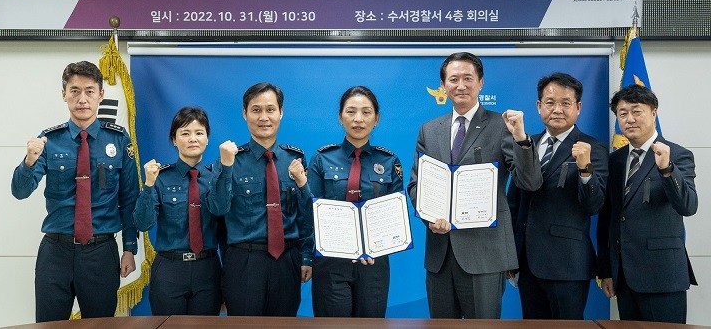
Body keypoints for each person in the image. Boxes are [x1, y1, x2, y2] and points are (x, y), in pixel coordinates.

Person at [407, 52, 543, 319]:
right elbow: (416, 185)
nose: (461, 85)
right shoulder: (429, 130)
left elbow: (529, 181)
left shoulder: (502, 125)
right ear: (443, 86)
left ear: (481, 82)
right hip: (440, 254)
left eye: (468, 78)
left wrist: (521, 138)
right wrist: (430, 217)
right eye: (453, 79)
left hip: (486, 254)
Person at [11, 61, 137, 322]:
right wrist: (29, 161)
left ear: (101, 94)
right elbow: (20, 192)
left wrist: (129, 248)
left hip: (100, 253)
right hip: (55, 252)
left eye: (89, 91)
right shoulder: (49, 140)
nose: (82, 99)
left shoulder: (118, 139)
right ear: (64, 94)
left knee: (100, 326)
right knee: (49, 326)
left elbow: (129, 199)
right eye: (75, 91)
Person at [507, 72, 608, 319]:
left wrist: (585, 168)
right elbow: (514, 204)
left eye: (566, 103)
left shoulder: (592, 148)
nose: (557, 110)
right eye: (550, 102)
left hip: (568, 265)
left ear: (578, 107)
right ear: (539, 106)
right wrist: (511, 255)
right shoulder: (526, 143)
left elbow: (594, 205)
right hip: (527, 263)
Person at [210, 82, 313, 316]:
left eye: (270, 109)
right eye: (256, 110)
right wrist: (226, 167)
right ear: (244, 113)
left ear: (281, 112)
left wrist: (306, 256)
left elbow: (305, 216)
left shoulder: (295, 159)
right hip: (244, 261)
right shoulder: (231, 159)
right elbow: (217, 208)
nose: (264, 117)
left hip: (287, 260)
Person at [597, 85, 697, 323]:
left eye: (636, 111)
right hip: (624, 276)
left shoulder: (677, 154)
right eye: (622, 113)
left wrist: (667, 169)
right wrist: (606, 270)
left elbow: (688, 206)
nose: (629, 119)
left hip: (663, 276)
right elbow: (608, 218)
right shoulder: (615, 160)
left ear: (653, 113)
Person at [307, 86, 404, 317]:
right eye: (351, 111)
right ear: (340, 117)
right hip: (331, 261)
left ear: (376, 119)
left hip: (374, 263)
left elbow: (395, 215)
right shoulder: (322, 158)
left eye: (366, 112)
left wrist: (378, 245)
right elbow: (311, 212)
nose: (358, 119)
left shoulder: (389, 161)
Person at [133, 106, 233, 315]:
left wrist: (225, 170)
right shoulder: (160, 177)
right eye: (185, 133)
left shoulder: (216, 177)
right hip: (170, 269)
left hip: (207, 268)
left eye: (199, 133)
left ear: (207, 138)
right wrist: (148, 185)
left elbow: (222, 210)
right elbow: (143, 223)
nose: (193, 139)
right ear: (174, 139)